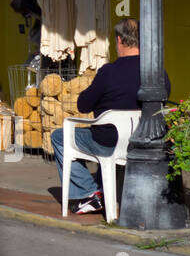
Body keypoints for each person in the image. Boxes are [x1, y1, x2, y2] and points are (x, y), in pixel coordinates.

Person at [51, 18, 168, 215]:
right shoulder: (157, 72)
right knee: (105, 143)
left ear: (120, 41)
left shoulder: (109, 72)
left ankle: (87, 193)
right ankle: (103, 190)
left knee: (59, 136)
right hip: (145, 140)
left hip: (109, 142)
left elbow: (83, 105)